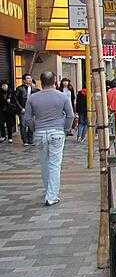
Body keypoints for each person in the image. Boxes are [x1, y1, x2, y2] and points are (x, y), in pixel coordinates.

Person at [24, 72, 74, 206]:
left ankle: (49, 192)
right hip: (57, 132)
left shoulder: (32, 98)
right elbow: (70, 115)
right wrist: (66, 129)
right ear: (55, 81)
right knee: (54, 165)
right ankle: (51, 196)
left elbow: (27, 118)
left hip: (40, 132)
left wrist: (35, 128)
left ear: (41, 81)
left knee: (44, 164)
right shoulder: (63, 97)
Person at [15, 73, 39, 145]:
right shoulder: (19, 89)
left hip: (32, 110)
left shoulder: (34, 89)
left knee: (31, 125)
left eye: (30, 78)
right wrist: (21, 108)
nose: (30, 80)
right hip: (23, 109)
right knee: (23, 125)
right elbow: (15, 100)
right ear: (24, 80)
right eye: (28, 78)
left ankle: (30, 140)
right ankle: (25, 140)